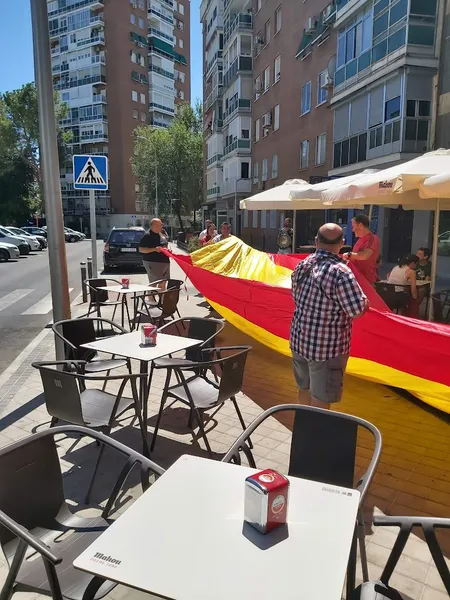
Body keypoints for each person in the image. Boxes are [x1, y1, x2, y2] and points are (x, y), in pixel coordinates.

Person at [290, 223, 369, 409]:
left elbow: (296, 297)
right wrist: (365, 301)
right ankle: (316, 437)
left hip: (299, 341)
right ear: (342, 243)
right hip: (326, 349)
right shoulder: (341, 273)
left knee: (304, 389)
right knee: (321, 399)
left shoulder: (302, 265)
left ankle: (304, 430)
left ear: (316, 241)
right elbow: (356, 311)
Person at [344, 214, 380, 284]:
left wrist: (349, 254)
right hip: (357, 278)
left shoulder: (372, 238)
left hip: (366, 280)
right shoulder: (360, 240)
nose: (353, 230)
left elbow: (365, 255)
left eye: (353, 227)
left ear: (360, 225)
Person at [139, 218, 170, 287]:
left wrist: (168, 251)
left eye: (161, 225)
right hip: (152, 262)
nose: (161, 227)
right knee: (154, 283)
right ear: (152, 226)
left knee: (163, 283)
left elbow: (165, 244)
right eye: (158, 225)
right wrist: (154, 249)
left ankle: (162, 297)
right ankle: (151, 297)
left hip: (164, 262)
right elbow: (141, 249)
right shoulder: (147, 236)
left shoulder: (161, 234)